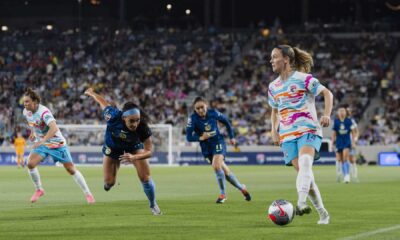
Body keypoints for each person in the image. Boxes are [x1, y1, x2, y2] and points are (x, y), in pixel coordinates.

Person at [268, 45, 333, 224]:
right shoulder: (273, 86)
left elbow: (327, 93)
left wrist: (326, 114)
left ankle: (301, 202)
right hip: (287, 135)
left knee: (305, 164)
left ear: (286, 59)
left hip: (309, 129)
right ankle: (323, 213)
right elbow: (274, 111)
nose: (271, 60)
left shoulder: (304, 79)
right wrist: (274, 131)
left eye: (274, 57)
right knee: (305, 174)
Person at [84, 88, 161, 215]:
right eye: (131, 121)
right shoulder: (113, 116)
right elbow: (103, 103)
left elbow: (149, 151)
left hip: (134, 148)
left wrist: (135, 158)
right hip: (113, 148)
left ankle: (153, 205)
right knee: (109, 182)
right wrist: (92, 93)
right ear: (123, 117)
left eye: (137, 120)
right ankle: (108, 185)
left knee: (145, 177)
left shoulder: (142, 127)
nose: (135, 124)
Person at [22, 88, 95, 204]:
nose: (24, 104)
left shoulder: (44, 112)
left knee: (71, 169)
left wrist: (42, 140)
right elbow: (32, 124)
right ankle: (39, 190)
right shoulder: (26, 112)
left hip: (56, 143)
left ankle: (88, 194)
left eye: (27, 101)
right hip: (43, 142)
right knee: (30, 163)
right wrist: (33, 133)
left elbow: (54, 128)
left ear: (35, 102)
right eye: (24, 101)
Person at [186, 97, 251, 204]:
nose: (200, 110)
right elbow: (188, 137)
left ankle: (223, 194)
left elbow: (227, 122)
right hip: (206, 148)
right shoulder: (192, 119)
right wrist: (200, 138)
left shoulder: (213, 113)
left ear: (206, 105)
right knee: (225, 171)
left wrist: (232, 137)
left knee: (216, 165)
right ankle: (241, 188)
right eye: (198, 109)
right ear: (195, 109)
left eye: (202, 107)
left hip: (218, 142)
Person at [331, 107, 357, 183]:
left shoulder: (349, 121)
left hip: (347, 142)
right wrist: (332, 143)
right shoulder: (336, 121)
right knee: (341, 160)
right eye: (340, 111)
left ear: (345, 112)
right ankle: (343, 174)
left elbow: (353, 132)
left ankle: (347, 176)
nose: (342, 112)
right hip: (339, 143)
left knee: (345, 158)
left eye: (343, 111)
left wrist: (353, 142)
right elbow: (334, 133)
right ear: (338, 113)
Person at [346, 107, 359, 182]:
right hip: (342, 142)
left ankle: (354, 176)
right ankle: (345, 175)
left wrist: (354, 140)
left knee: (352, 160)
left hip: (350, 142)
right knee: (342, 159)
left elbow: (356, 132)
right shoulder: (339, 121)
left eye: (349, 111)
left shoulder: (351, 121)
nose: (348, 112)